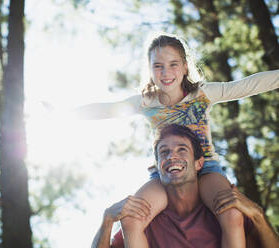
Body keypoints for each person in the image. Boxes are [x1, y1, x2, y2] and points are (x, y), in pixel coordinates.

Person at [62, 33, 279, 247]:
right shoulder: (147, 103)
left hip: (206, 169)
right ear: (150, 70)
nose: (166, 73)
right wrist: (64, 114)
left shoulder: (203, 94)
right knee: (131, 219)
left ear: (185, 66)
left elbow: (247, 85)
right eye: (158, 66)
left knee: (231, 214)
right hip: (164, 172)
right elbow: (107, 109)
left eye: (173, 64)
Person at [91, 124, 279, 248]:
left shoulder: (223, 210)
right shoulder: (147, 220)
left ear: (199, 163)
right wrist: (107, 220)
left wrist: (257, 215)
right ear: (157, 168)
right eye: (164, 152)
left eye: (182, 149)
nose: (172, 156)